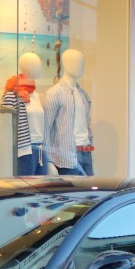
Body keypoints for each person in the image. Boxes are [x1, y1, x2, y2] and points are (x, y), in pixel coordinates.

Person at [42, 48, 94, 176]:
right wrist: (48, 161)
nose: (82, 66)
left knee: (90, 195)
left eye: (82, 62)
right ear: (67, 64)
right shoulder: (54, 93)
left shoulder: (83, 95)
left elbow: (86, 126)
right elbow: (46, 129)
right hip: (66, 157)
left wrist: (90, 156)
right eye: (78, 62)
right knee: (72, 195)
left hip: (86, 152)